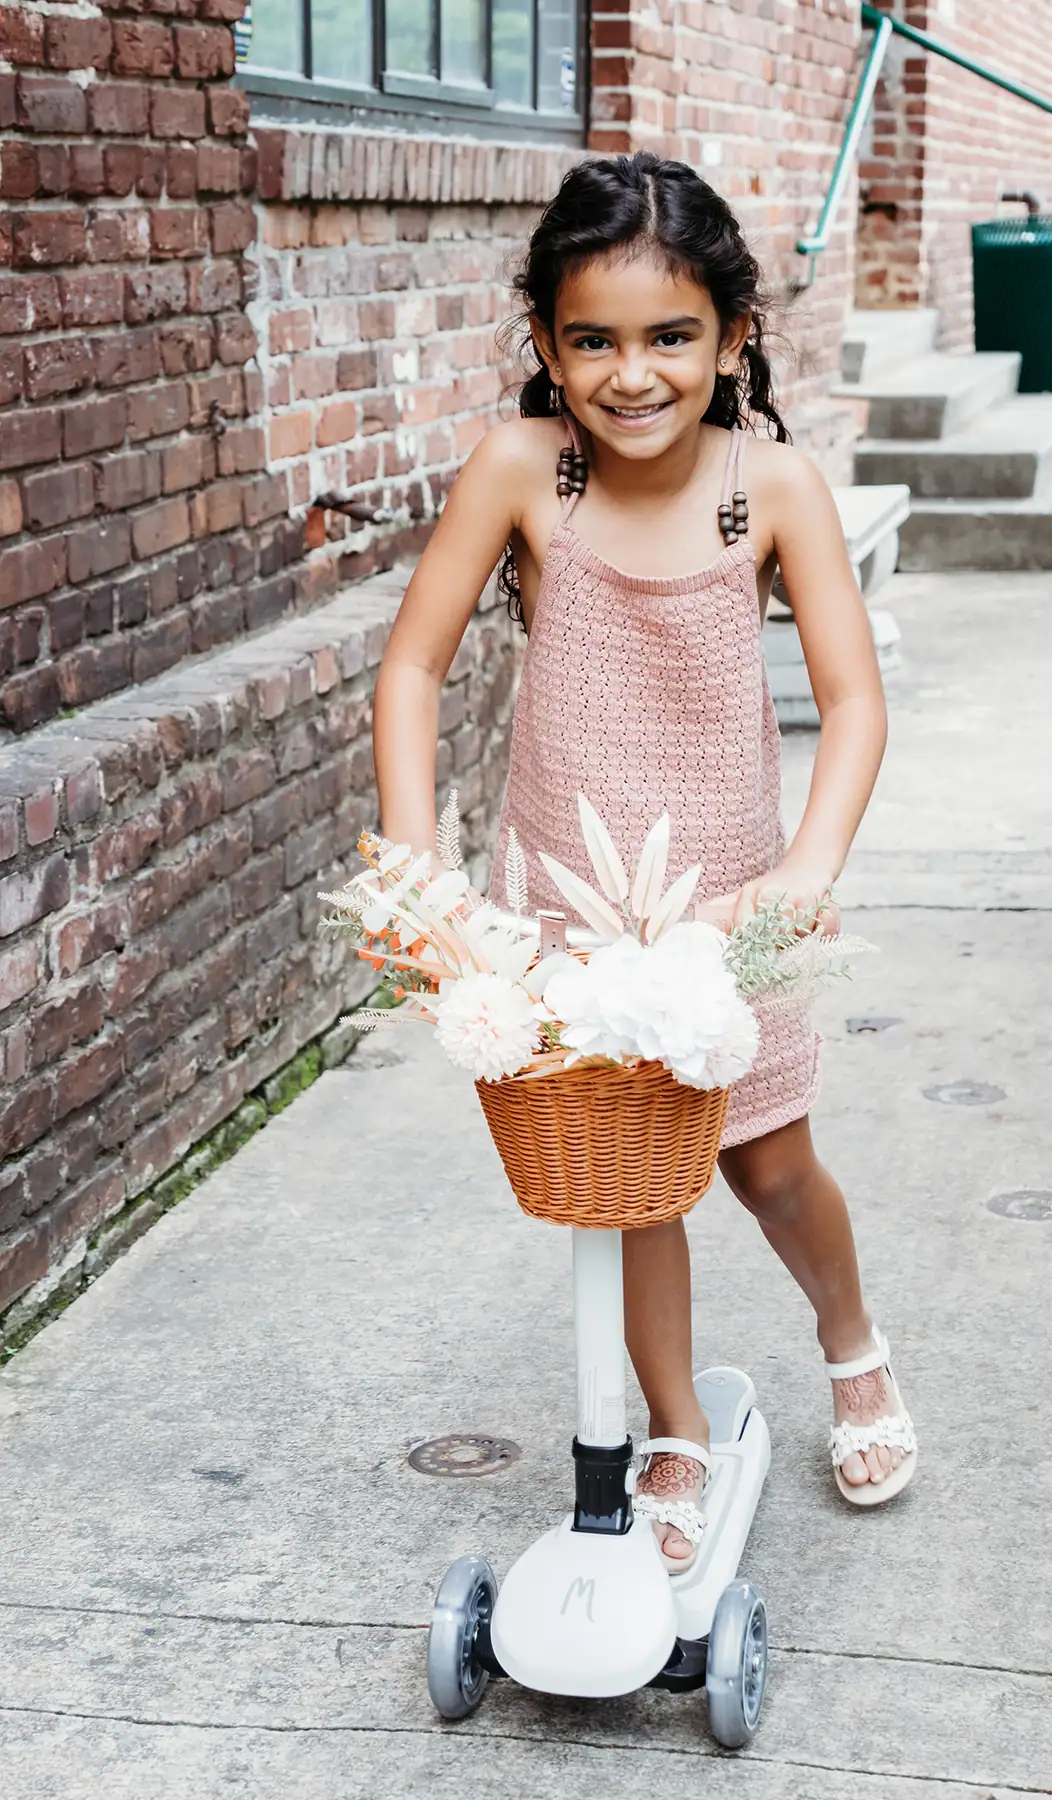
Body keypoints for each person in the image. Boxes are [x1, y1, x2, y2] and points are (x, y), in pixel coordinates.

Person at [372, 151, 917, 1568]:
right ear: (547, 342)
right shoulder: (522, 472)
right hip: (570, 896)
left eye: (671, 337)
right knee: (631, 1181)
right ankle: (672, 1424)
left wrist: (807, 868)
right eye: (594, 340)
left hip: (738, 903)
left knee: (770, 1163)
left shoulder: (773, 486)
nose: (633, 374)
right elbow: (413, 669)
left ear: (732, 338)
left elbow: (854, 703)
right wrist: (422, 864)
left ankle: (851, 1342)